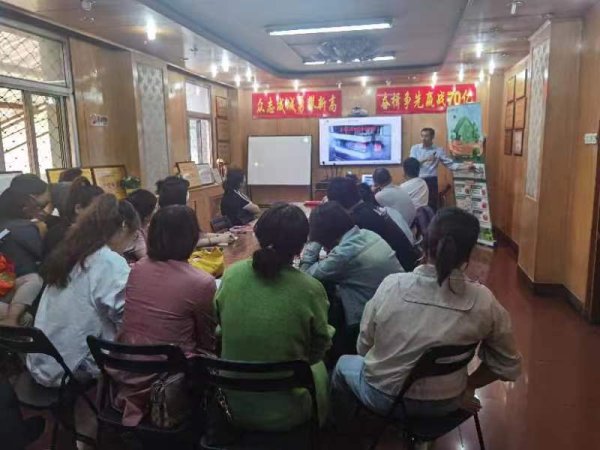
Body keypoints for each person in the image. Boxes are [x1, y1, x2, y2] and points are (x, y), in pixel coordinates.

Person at [332, 207, 522, 427]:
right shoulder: (484, 301)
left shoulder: (392, 285)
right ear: (469, 253)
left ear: (424, 243)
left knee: (342, 364)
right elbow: (508, 364)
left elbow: (363, 347)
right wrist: (469, 385)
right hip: (447, 403)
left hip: (384, 399)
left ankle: (345, 430)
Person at [215, 203, 333, 432]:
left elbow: (219, 323)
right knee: (320, 368)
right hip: (290, 411)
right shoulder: (311, 288)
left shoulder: (231, 276)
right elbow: (318, 348)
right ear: (302, 245)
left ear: (257, 235)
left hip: (233, 403)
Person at [114, 205, 216, 426]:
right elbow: (206, 340)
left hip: (128, 372)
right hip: (170, 380)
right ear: (192, 237)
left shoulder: (138, 269)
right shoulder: (201, 282)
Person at [27, 194, 140, 387]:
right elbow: (127, 318)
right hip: (73, 368)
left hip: (43, 360)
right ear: (123, 227)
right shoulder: (108, 261)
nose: (131, 244)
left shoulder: (71, 252)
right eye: (134, 237)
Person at [299, 202, 402, 356]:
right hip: (396, 311)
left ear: (324, 234)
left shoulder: (345, 253)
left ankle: (332, 359)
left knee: (322, 301)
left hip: (372, 324)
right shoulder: (368, 234)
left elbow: (304, 276)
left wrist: (314, 242)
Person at [327, 177, 418, 271]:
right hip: (408, 264)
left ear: (336, 204)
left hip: (399, 272)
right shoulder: (369, 208)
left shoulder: (357, 220)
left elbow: (341, 259)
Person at [0, 175, 48, 325]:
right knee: (34, 280)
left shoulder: (6, 225)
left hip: (6, 287)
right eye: (42, 205)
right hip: (14, 284)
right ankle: (12, 320)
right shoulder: (25, 228)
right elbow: (42, 254)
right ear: (29, 202)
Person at [409, 128, 472, 209]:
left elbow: (450, 165)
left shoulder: (438, 150)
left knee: (432, 205)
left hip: (431, 180)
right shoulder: (415, 148)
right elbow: (412, 164)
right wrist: (426, 159)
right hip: (418, 179)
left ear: (432, 137)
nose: (423, 139)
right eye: (422, 136)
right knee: (418, 205)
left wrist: (466, 167)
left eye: (426, 136)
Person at [43, 177, 104, 257]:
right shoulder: (59, 236)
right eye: (96, 209)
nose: (103, 213)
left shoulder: (98, 230)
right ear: (78, 208)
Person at [123, 189, 157, 261]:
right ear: (147, 217)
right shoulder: (136, 233)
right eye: (155, 208)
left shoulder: (141, 227)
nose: (156, 211)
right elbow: (145, 258)